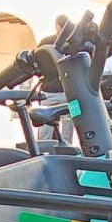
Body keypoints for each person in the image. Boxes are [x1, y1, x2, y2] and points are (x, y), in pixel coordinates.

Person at [37, 15, 73, 144]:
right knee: (68, 133)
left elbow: (36, 65)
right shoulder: (74, 43)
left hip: (48, 90)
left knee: (44, 131)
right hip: (69, 91)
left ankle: (43, 153)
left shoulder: (45, 43)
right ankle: (67, 152)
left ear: (57, 25)